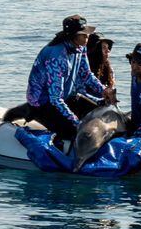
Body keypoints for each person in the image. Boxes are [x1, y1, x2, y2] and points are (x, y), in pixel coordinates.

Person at [7, 14, 115, 142]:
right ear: (72, 36)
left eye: (87, 33)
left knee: (101, 113)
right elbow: (55, 99)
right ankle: (30, 111)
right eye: (83, 34)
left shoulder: (80, 48)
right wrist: (76, 123)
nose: (87, 36)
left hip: (67, 96)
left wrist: (104, 91)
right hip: (45, 103)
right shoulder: (56, 56)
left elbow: (86, 75)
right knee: (73, 132)